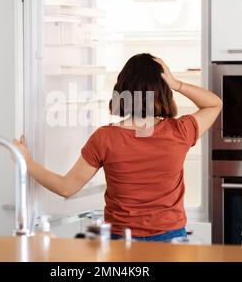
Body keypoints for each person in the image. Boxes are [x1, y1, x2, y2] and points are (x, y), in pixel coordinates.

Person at [14, 53, 222, 242]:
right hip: (171, 238)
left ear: (122, 90)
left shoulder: (105, 138)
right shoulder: (180, 131)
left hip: (121, 240)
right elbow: (214, 104)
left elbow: (66, 187)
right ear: (163, 91)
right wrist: (176, 83)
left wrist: (27, 163)